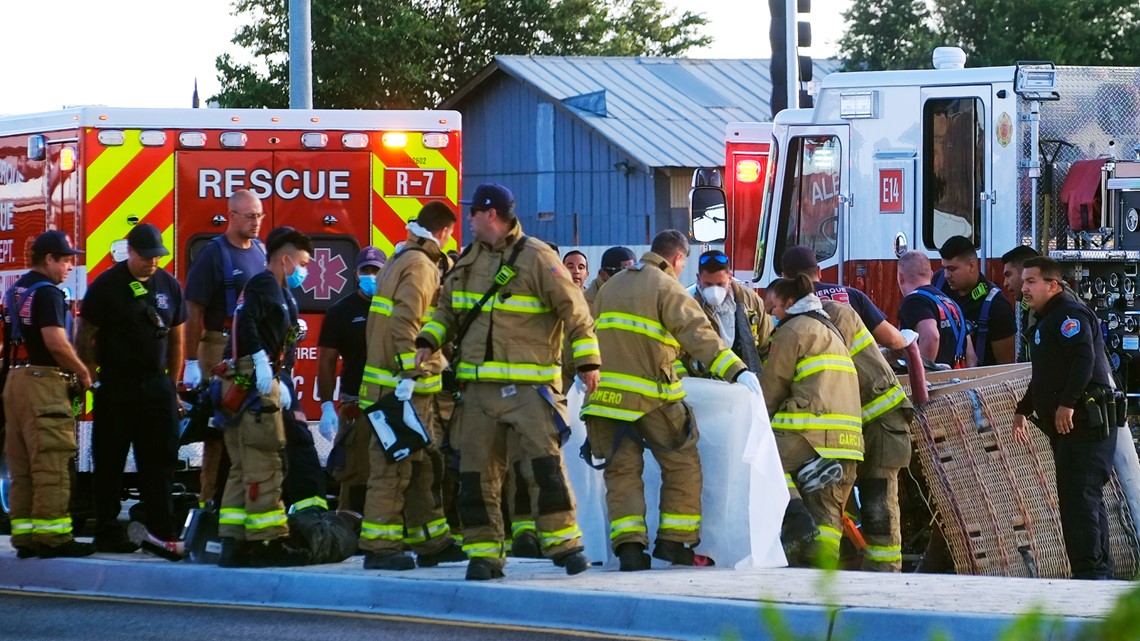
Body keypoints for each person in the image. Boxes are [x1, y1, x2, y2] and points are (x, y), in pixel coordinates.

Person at [413, 183, 599, 581]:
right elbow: (447, 309)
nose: (468, 220)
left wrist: (587, 362)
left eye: (473, 213)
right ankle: (485, 555)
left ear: (491, 214)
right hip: (478, 393)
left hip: (531, 391)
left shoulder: (537, 257)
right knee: (476, 476)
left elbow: (576, 311)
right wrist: (429, 339)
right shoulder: (467, 261)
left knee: (544, 469)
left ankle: (566, 546)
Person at [584, 231, 757, 571]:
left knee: (621, 474)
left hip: (603, 399)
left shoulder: (611, 287)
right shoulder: (666, 286)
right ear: (679, 259)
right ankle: (672, 541)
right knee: (682, 463)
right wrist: (738, 372)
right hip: (652, 397)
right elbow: (698, 336)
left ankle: (631, 550)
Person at [357, 202, 466, 571]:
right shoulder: (421, 266)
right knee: (396, 467)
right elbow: (407, 325)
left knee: (423, 466)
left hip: (398, 389)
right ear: (445, 231)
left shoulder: (400, 258)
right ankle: (380, 545)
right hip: (402, 391)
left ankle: (432, 541)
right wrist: (411, 373)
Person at [76, 224, 186, 552]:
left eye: (158, 256)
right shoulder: (107, 286)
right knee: (110, 461)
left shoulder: (169, 285)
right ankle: (108, 531)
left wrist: (172, 384)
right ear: (131, 252)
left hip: (156, 387)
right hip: (116, 385)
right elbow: (85, 336)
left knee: (159, 461)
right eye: (147, 256)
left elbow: (177, 338)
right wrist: (92, 378)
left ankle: (160, 533)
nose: (153, 262)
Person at [215, 228, 314, 568]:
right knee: (264, 462)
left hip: (257, 378)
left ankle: (233, 541)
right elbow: (245, 322)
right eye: (301, 263)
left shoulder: (278, 290)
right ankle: (266, 540)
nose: (305, 271)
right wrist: (259, 360)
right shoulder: (264, 284)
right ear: (285, 259)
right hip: (256, 381)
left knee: (242, 467)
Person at [1014, 257, 1116, 579]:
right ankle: (1098, 575)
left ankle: (1092, 578)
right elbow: (1047, 376)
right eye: (1024, 281)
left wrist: (1068, 404)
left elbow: (1083, 359)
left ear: (1052, 285)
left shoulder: (1068, 315)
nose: (1024, 287)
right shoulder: (1048, 319)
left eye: (1032, 282)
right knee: (1082, 501)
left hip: (1086, 425)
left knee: (1081, 502)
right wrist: (1023, 408)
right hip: (1071, 430)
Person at [761, 275, 862, 568]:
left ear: (789, 304)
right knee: (827, 514)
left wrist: (757, 421)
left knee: (760, 457)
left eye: (773, 308)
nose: (771, 315)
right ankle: (823, 570)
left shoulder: (792, 330)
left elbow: (772, 388)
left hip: (810, 432)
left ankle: (795, 513)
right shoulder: (830, 330)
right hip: (849, 440)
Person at [4, 231, 93, 558]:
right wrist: (83, 372)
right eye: (65, 259)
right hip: (43, 383)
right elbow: (55, 341)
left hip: (16, 383)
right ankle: (54, 537)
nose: (70, 265)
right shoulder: (49, 294)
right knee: (51, 462)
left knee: (23, 465)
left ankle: (26, 537)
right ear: (48, 260)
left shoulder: (17, 289)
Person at [183, 189, 268, 505]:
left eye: (259, 215)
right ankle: (212, 501)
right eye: (249, 216)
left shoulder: (260, 251)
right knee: (218, 433)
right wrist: (192, 361)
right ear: (231, 216)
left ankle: (245, 500)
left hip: (250, 349)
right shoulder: (213, 254)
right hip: (219, 348)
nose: (256, 222)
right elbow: (193, 311)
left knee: (250, 429)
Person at [317, 246, 386, 513]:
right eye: (365, 270)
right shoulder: (341, 311)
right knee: (353, 471)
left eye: (375, 270)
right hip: (355, 402)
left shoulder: (396, 307)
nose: (370, 276)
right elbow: (326, 361)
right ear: (356, 274)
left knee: (389, 470)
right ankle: (349, 525)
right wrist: (325, 406)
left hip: (389, 400)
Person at [781, 245, 907, 350]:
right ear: (819, 271)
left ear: (784, 277)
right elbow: (893, 340)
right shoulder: (853, 295)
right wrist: (908, 336)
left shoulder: (786, 306)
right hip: (856, 376)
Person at [686, 248, 772, 375]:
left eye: (720, 284)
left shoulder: (749, 300)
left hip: (745, 383)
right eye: (708, 284)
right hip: (704, 384)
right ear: (698, 279)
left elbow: (767, 346)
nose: (714, 291)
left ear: (730, 277)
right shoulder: (687, 305)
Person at [936, 236, 1017, 365]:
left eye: (952, 269)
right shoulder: (939, 284)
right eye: (944, 268)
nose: (946, 275)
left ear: (972, 266)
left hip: (979, 382)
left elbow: (1005, 366)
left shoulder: (997, 307)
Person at [897, 251, 977, 369]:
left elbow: (931, 336)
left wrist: (922, 378)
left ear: (901, 277)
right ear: (931, 274)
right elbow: (971, 357)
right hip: (958, 382)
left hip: (935, 385)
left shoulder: (913, 301)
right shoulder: (950, 303)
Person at [1001, 245, 1041, 362]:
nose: (1005, 283)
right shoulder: (1030, 305)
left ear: (1026, 273)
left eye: (1008, 275)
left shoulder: (1056, 305)